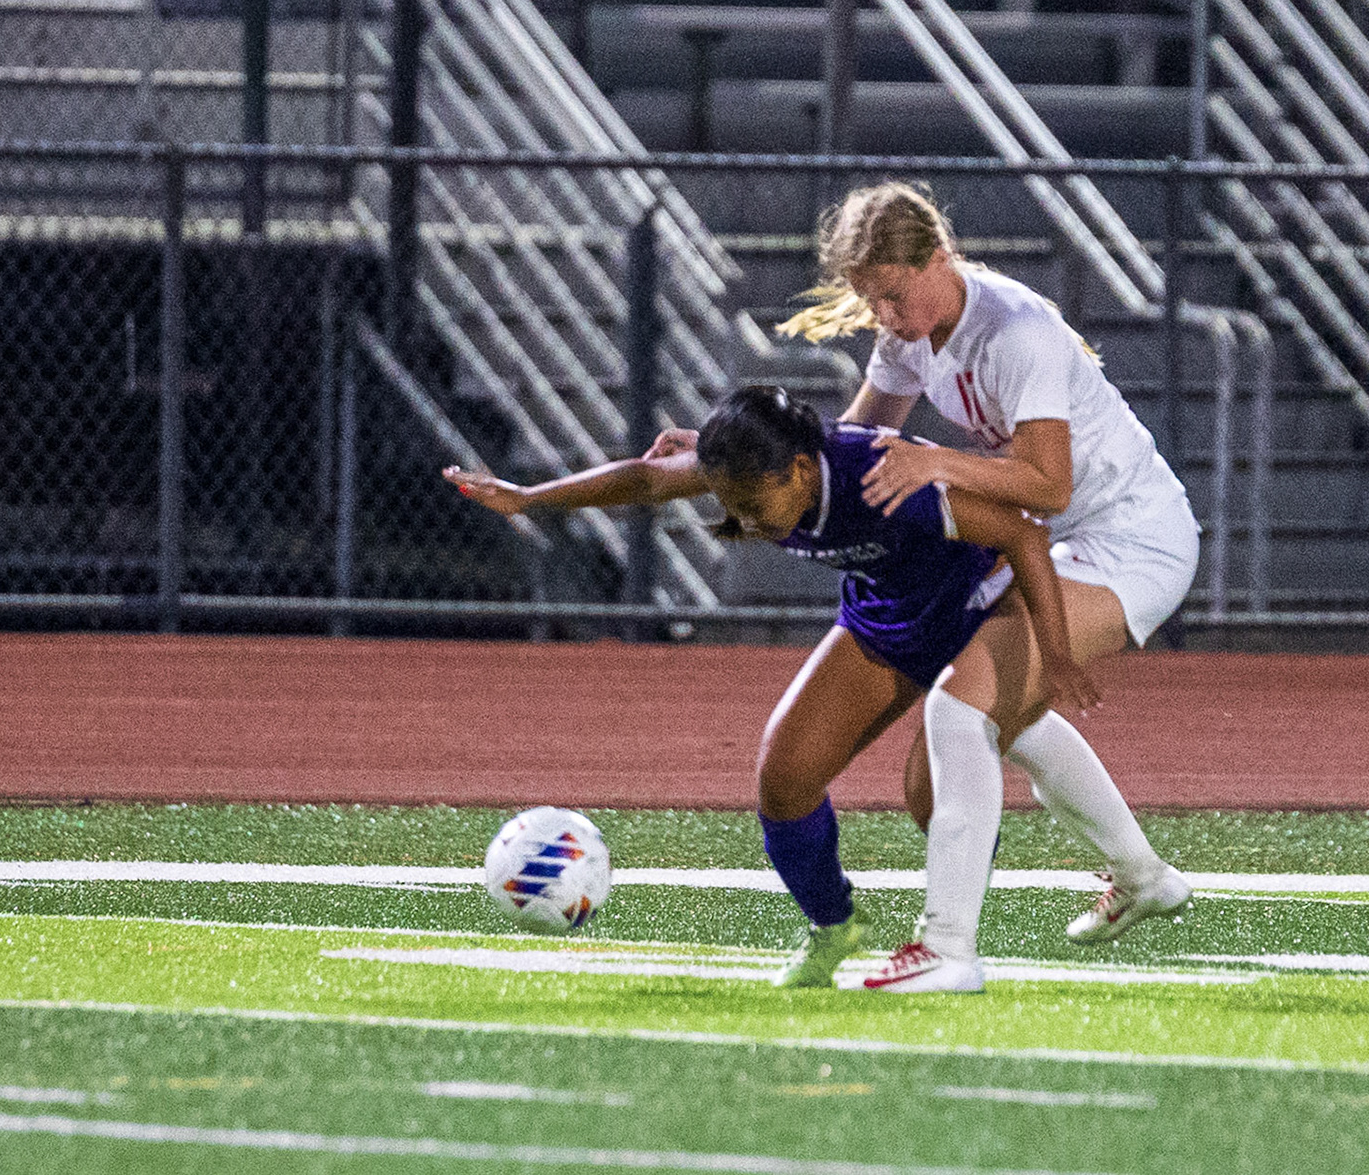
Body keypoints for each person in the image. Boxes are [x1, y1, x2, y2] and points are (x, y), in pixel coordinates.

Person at [649, 181, 1195, 955]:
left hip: (1134, 540)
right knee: (974, 732)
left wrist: (938, 461)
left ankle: (945, 950)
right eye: (871, 301)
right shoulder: (911, 332)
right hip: (1053, 540)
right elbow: (848, 445)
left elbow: (1050, 485)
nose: (886, 317)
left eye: (895, 295)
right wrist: (730, 450)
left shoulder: (1016, 332)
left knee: (958, 714)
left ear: (941, 258)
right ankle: (1143, 876)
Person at [446, 385, 1097, 992]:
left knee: (935, 797)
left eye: (752, 506)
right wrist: (526, 497)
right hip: (886, 616)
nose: (744, 521)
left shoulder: (880, 478)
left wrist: (1056, 652)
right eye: (730, 505)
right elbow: (648, 479)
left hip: (974, 606)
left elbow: (1022, 531)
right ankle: (834, 925)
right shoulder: (751, 464)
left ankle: (967, 938)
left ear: (801, 470)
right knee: (785, 779)